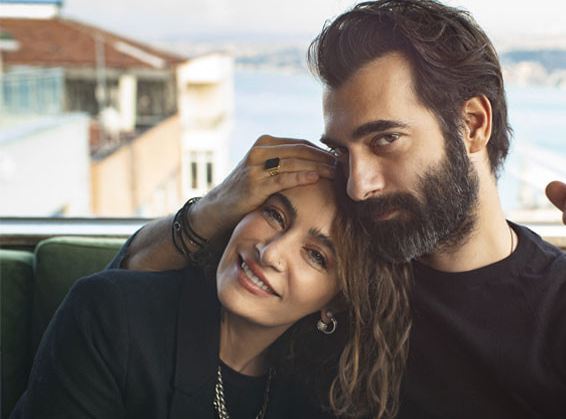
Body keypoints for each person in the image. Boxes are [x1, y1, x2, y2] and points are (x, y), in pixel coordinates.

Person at [108, 0, 566, 418]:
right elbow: (131, 288)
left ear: (472, 125)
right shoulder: (330, 263)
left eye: (385, 140)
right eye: (343, 149)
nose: (358, 185)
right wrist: (215, 207)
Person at [11, 177, 412, 418]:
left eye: (316, 255)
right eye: (275, 215)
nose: (270, 252)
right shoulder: (109, 315)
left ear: (336, 302)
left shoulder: (321, 397)